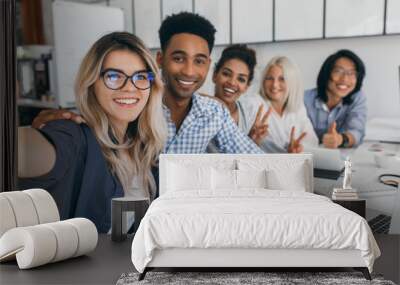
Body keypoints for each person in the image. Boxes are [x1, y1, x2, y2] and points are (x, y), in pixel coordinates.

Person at [32, 12, 262, 154]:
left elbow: (253, 159)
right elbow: (94, 117)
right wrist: (56, 125)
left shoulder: (214, 113)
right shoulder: (134, 102)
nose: (189, 71)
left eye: (199, 61)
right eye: (179, 58)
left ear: (208, 65)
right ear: (160, 59)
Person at [19, 32, 168, 233]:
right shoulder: (71, 136)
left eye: (140, 77)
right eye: (114, 76)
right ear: (91, 83)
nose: (130, 88)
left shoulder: (147, 149)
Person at [206, 44, 269, 152]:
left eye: (241, 79)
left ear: (246, 87)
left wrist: (251, 142)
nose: (232, 82)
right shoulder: (201, 111)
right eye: (226, 74)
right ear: (214, 75)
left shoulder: (248, 116)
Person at [249, 56, 318, 153]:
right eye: (269, 78)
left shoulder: (298, 107)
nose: (274, 85)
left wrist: (299, 147)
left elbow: (312, 141)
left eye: (282, 79)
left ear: (292, 82)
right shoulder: (254, 104)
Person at [304, 49, 367, 148]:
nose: (345, 79)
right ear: (326, 74)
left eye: (351, 73)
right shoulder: (305, 99)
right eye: (338, 71)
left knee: (349, 164)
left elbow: (357, 131)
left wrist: (341, 140)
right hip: (310, 157)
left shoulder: (357, 97)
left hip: (343, 156)